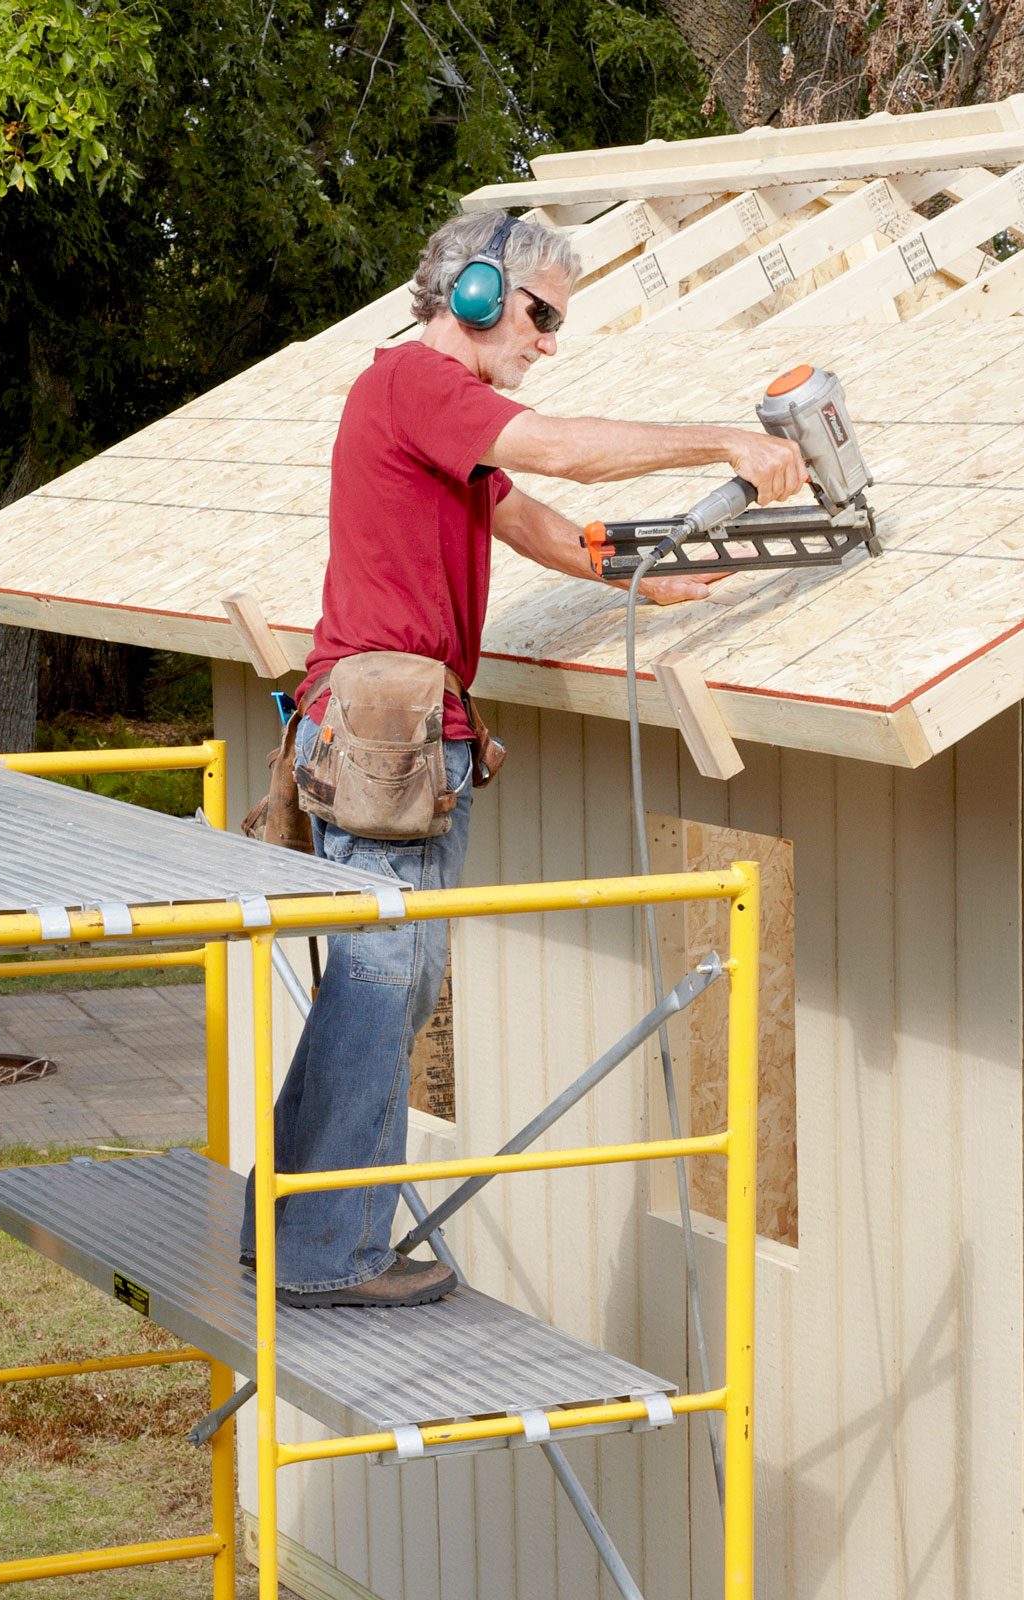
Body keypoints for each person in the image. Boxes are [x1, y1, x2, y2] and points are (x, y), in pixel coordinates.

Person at [241, 210, 807, 1308]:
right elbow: (553, 447)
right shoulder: (417, 384)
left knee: (374, 993)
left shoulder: (431, 420)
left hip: (388, 735)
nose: (549, 341)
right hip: (387, 741)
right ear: (476, 294)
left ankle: (289, 1227)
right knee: (380, 987)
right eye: (542, 316)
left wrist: (633, 568)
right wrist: (724, 442)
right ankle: (327, 1256)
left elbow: (530, 511)